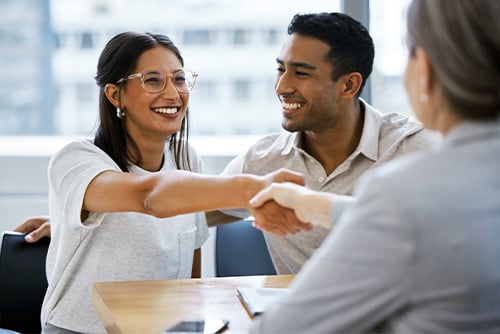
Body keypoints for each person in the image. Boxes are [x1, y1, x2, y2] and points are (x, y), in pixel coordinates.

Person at [15, 12, 441, 275]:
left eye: (301, 73)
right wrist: (82, 215)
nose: (281, 86)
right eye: (280, 69)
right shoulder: (264, 159)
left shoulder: (417, 150)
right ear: (115, 95)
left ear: (349, 85)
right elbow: (175, 203)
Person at [248, 0, 500, 332]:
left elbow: (279, 330)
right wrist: (303, 201)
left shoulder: (406, 186)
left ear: (423, 67)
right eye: (281, 69)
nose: (282, 86)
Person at [37, 31, 303, 334]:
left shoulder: (186, 158)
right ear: (115, 94)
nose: (173, 94)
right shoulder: (76, 160)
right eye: (153, 80)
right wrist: (252, 188)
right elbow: (149, 196)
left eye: (178, 79)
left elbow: (190, 267)